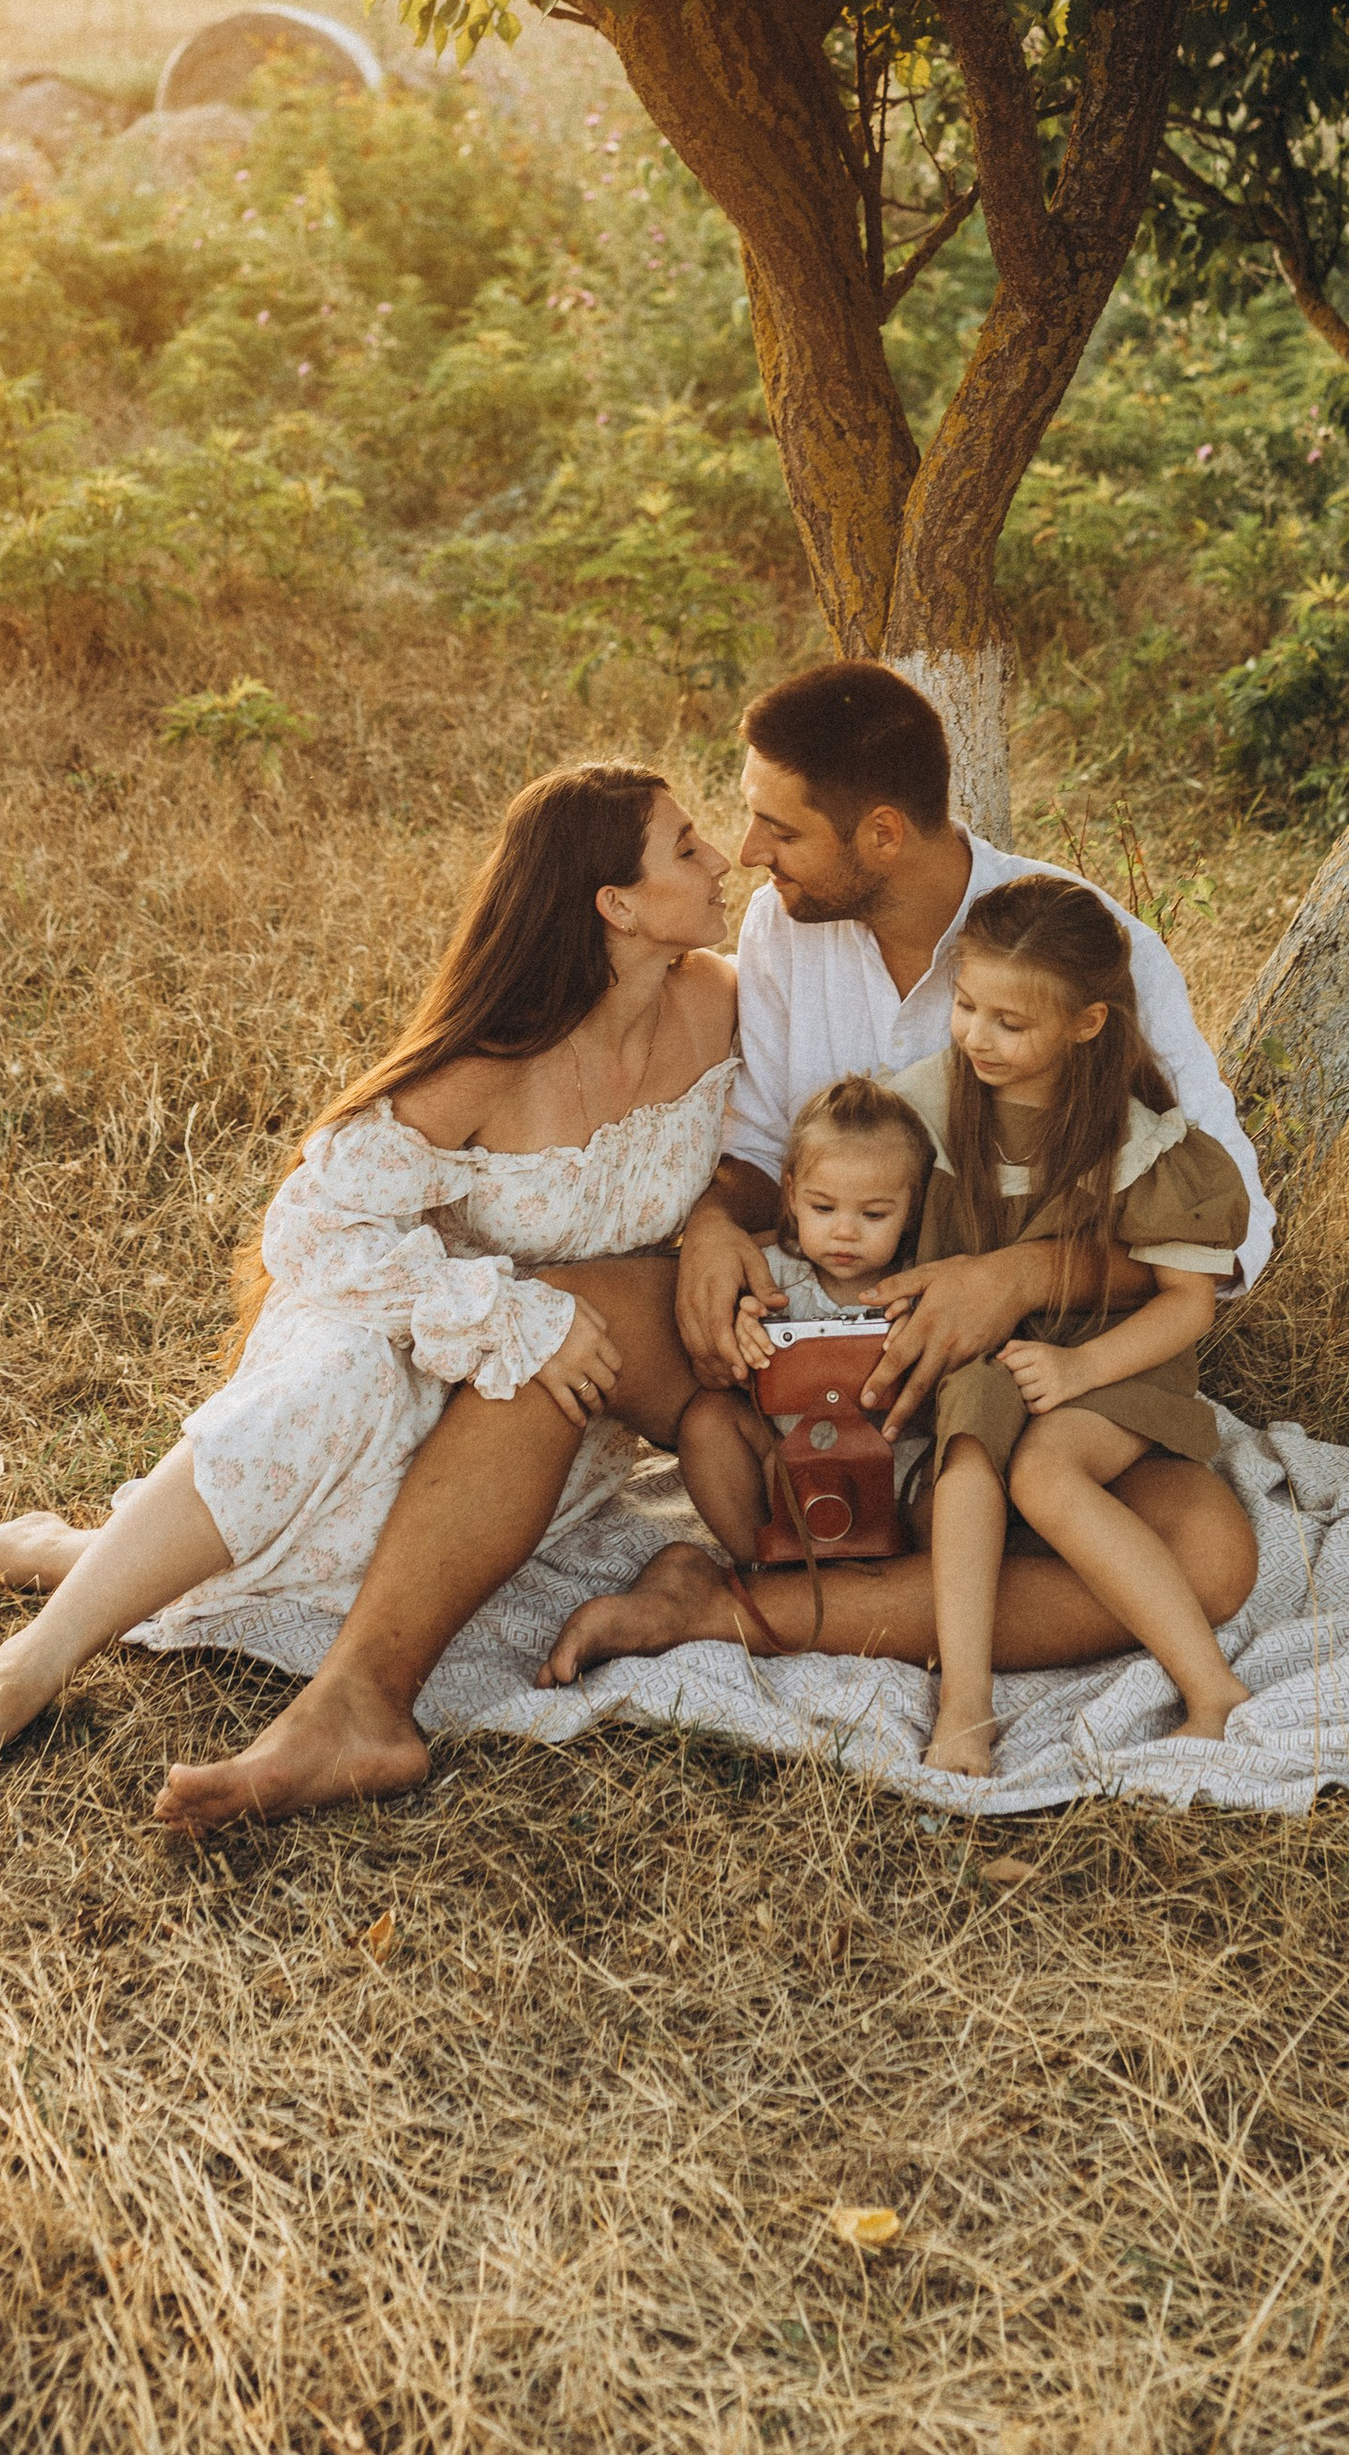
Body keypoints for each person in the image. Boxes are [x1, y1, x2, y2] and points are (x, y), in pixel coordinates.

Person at [0, 763, 735, 1824]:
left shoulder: (718, 1004)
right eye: (688, 847)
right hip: (392, 1302)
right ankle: (22, 1671)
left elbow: (770, 1154)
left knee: (359, 1551)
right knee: (330, 1397)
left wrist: (717, 1223)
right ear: (615, 905)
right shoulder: (500, 1056)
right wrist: (502, 1313)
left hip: (546, 1384)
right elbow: (314, 1228)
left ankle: (55, 1554)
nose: (721, 859)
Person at [541, 661, 1267, 1690]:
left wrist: (1018, 1276)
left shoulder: (1081, 946)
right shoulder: (783, 925)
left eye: (779, 828)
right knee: (552, 1316)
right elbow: (761, 1147)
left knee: (1208, 1562)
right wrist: (712, 1223)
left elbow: (1238, 1237)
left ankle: (725, 1607)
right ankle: (368, 1686)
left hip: (1032, 1379)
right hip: (813, 1337)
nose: (748, 854)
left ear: (881, 834)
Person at [900, 874, 1252, 1776]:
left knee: (1045, 1473)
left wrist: (1080, 1371)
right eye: (965, 1006)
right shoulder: (934, 1104)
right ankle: (965, 1702)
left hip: (1113, 1363)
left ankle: (1213, 1690)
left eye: (1009, 1023)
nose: (976, 1036)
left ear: (1086, 1023)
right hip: (1001, 1354)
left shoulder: (1136, 1141)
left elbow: (1187, 1303)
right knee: (967, 1445)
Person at [670, 1074, 934, 1566]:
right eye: (823, 1207)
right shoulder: (768, 1273)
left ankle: (909, 1577)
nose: (844, 1231)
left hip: (896, 1463)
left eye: (874, 1215)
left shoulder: (919, 1283)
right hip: (788, 1464)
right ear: (791, 1195)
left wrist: (917, 1340)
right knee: (707, 1421)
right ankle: (765, 1563)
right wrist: (742, 1335)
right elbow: (722, 1369)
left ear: (912, 1209)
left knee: (953, 1477)